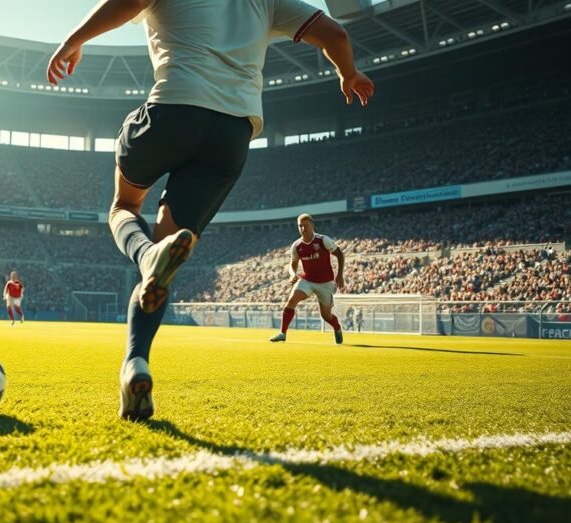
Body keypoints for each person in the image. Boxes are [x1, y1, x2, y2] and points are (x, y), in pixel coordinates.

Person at [47, 0, 373, 420]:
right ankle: (136, 363)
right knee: (163, 265)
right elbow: (336, 34)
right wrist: (349, 73)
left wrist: (75, 40)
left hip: (174, 107)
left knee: (124, 205)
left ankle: (145, 254)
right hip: (232, 134)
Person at [270, 214, 346, 344]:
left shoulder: (322, 240)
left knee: (326, 316)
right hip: (307, 280)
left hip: (325, 282)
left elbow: (340, 254)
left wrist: (339, 275)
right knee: (291, 301)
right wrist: (292, 274)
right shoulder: (297, 245)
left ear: (312, 225)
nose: (302, 228)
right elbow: (292, 264)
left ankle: (337, 327)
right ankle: (282, 333)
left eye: (305, 225)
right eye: (300, 226)